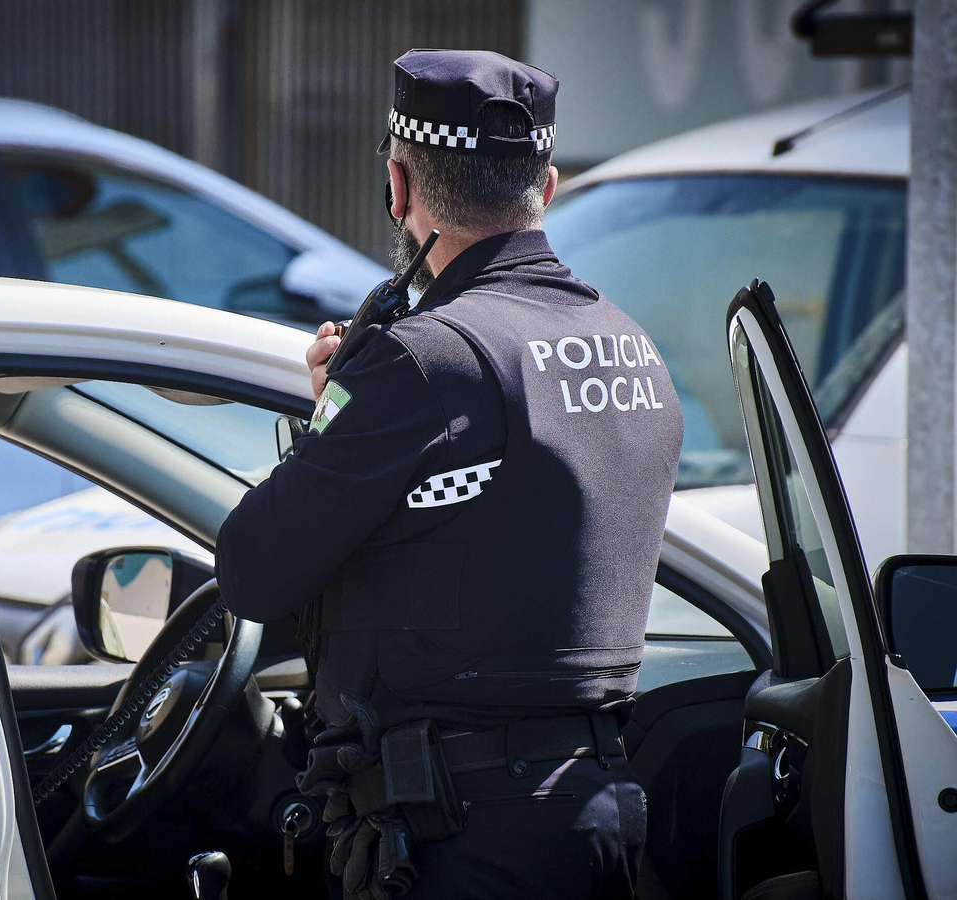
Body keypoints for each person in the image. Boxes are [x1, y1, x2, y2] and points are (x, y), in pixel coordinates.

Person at [215, 49, 683, 900]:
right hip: (601, 816)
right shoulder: (634, 348)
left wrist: (331, 409)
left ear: (398, 187)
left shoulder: (421, 363)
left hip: (454, 834)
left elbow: (254, 570)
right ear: (544, 189)